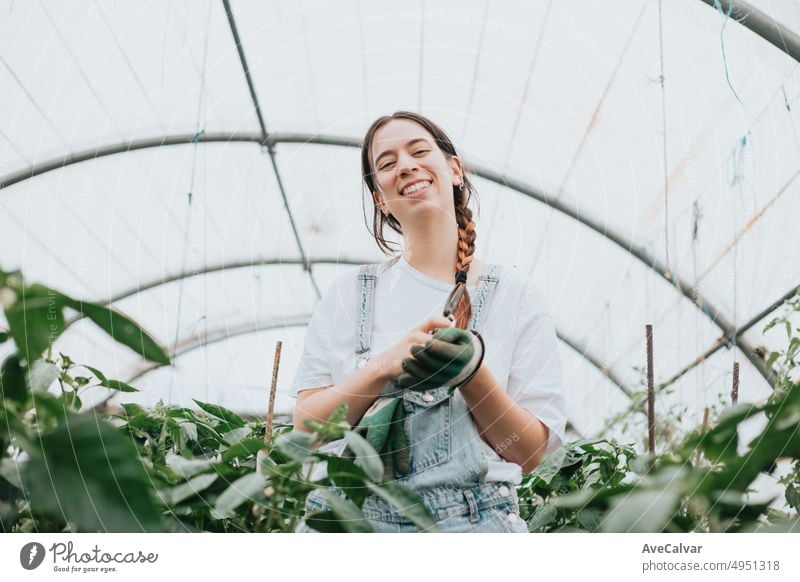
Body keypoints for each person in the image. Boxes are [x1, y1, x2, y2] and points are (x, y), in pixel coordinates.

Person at [290, 111, 566, 533]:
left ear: (454, 169)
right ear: (380, 198)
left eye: (419, 152)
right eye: (386, 163)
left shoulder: (516, 295)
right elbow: (307, 428)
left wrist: (472, 374)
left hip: (472, 525)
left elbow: (529, 454)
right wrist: (385, 365)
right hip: (351, 522)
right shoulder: (349, 294)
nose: (405, 165)